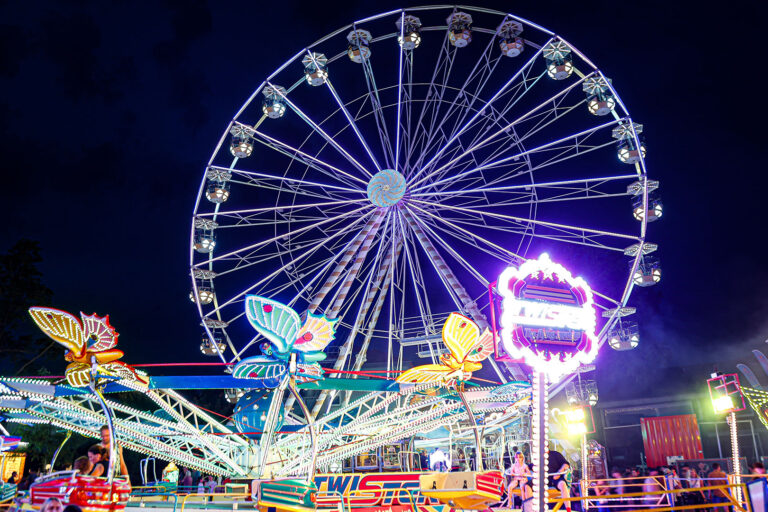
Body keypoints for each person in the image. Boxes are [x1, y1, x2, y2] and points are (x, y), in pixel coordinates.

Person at [547, 448, 572, 512]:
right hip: (543, 479)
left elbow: (566, 464)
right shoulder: (538, 457)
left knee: (562, 484)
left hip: (556, 478)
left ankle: (568, 509)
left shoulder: (555, 454)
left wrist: (559, 471)